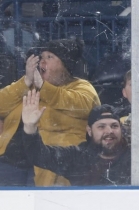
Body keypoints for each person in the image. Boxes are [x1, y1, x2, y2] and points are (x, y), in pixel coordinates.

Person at [0, 38, 100, 186]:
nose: (42, 62)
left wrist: (44, 86)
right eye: (42, 57)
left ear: (65, 65)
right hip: (10, 162)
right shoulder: (28, 86)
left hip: (50, 166)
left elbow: (80, 106)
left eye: (50, 57)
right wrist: (26, 81)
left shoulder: (81, 86)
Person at [20, 92, 131, 186]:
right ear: (89, 131)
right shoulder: (78, 156)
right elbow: (38, 155)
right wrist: (30, 126)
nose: (109, 131)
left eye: (114, 126)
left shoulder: (135, 156)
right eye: (101, 127)